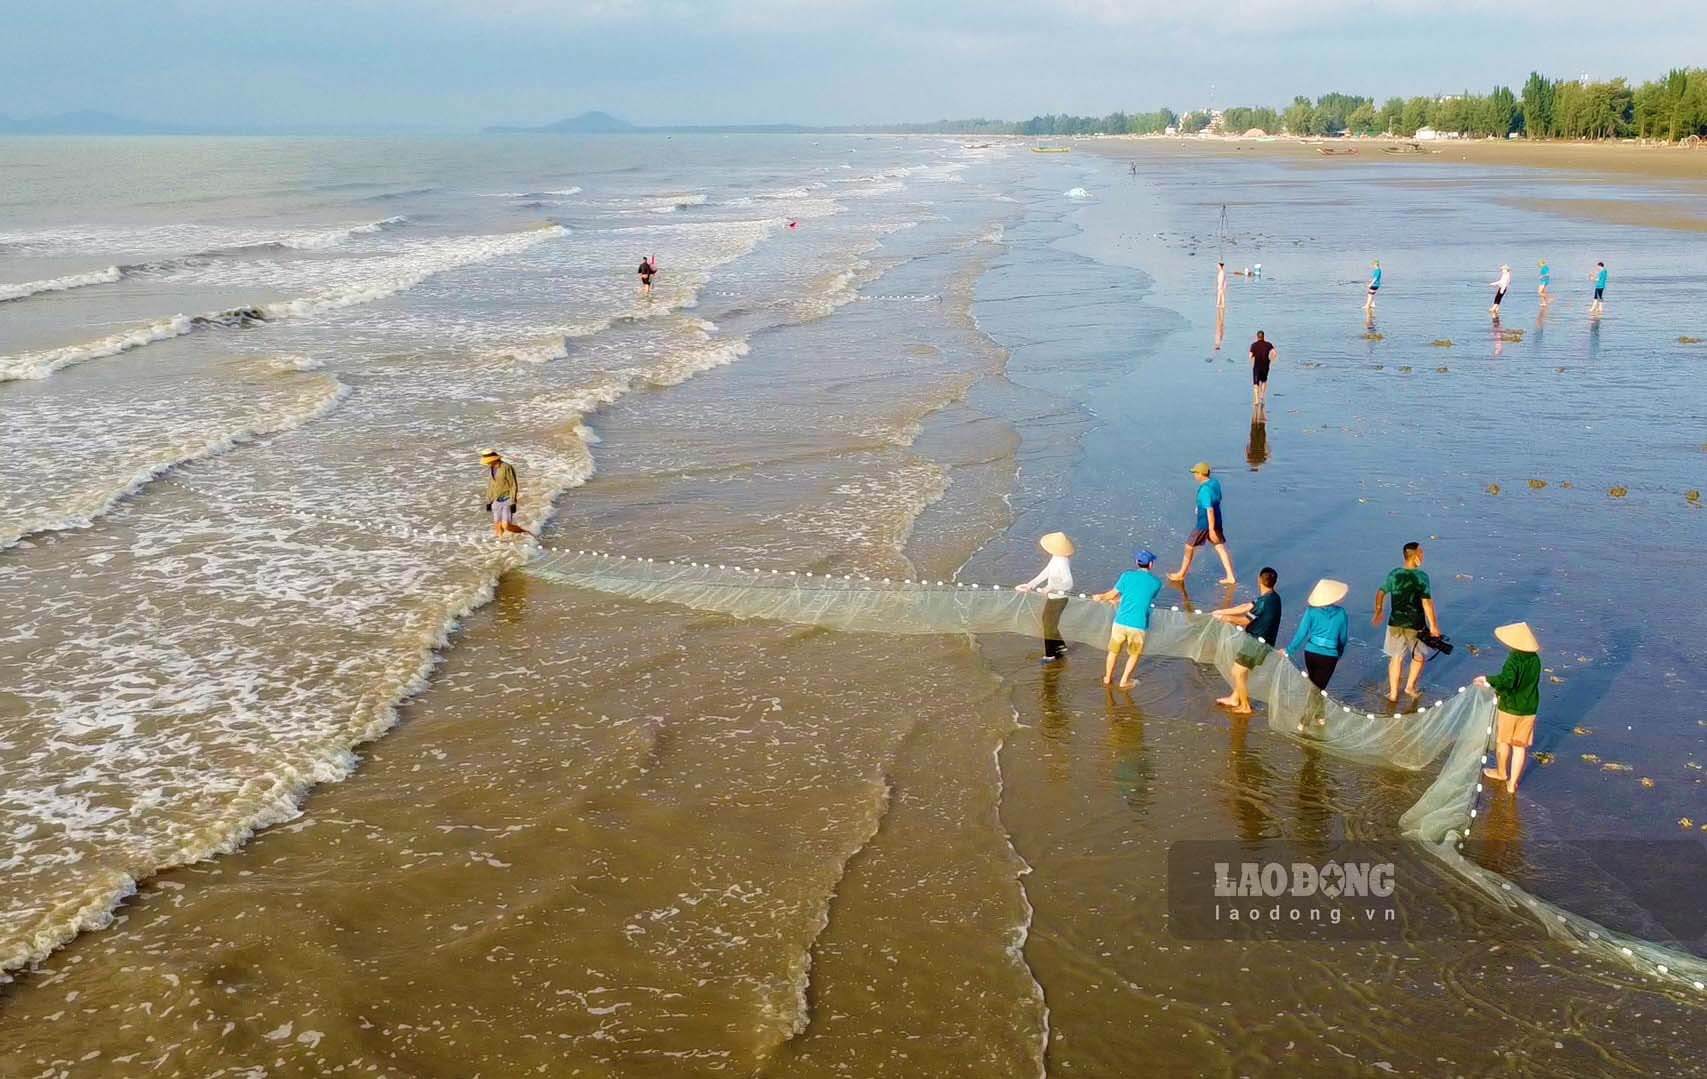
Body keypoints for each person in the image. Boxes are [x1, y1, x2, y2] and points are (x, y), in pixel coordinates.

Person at [1371, 541, 1442, 703]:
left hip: (1395, 623)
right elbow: (1426, 603)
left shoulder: (1394, 574)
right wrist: (1434, 626)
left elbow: (1381, 591)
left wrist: (1379, 610)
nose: (1423, 555)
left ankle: (1394, 694)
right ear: (1415, 556)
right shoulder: (1421, 577)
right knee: (1419, 657)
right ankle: (1409, 687)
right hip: (1415, 625)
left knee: (1396, 658)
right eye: (1421, 553)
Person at [1476, 621, 1542, 794]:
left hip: (1510, 708)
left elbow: (1507, 681)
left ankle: (1501, 772)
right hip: (1529, 708)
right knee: (1520, 747)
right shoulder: (1535, 660)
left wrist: (1488, 679)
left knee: (1503, 741)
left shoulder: (1514, 660)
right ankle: (1512, 784)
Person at [1212, 566, 1282, 715]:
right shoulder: (1273, 597)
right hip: (1261, 642)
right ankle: (1234, 698)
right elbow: (1246, 606)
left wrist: (1225, 618)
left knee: (1237, 672)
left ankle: (1245, 706)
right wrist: (1221, 611)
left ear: (1259, 580)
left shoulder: (1264, 602)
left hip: (1257, 644)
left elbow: (1244, 621)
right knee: (1242, 671)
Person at [1095, 549, 1164, 689]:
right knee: (1134, 653)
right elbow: (1144, 597)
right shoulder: (1157, 582)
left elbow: (1111, 594)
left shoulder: (1126, 576)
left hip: (1120, 622)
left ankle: (1108, 678)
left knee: (1113, 651)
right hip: (1138, 625)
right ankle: (1124, 681)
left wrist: (1100, 597)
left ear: (1137, 563)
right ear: (1151, 564)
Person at [1286, 579, 1349, 727]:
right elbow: (1343, 638)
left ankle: (1320, 715)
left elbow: (1301, 633)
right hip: (1329, 657)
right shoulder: (1341, 613)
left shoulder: (1311, 611)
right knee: (1317, 688)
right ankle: (1304, 721)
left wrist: (1289, 650)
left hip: (1310, 653)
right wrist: (1339, 654)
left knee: (1316, 686)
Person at [1170, 462, 1236, 585]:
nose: (1194, 475)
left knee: (1189, 546)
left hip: (1204, 523)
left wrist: (1210, 529)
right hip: (1218, 518)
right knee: (1220, 547)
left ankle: (1181, 574)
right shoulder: (1214, 483)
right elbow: (1217, 499)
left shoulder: (1204, 490)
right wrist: (1198, 506)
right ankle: (1230, 576)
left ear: (1201, 474)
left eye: (1195, 473)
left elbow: (1209, 510)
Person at [1016, 531, 1075, 663]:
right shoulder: (1056, 558)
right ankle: (1060, 646)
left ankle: (1051, 655)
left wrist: (1050, 588)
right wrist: (1030, 585)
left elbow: (1068, 583)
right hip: (1053, 596)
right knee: (1048, 622)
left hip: (1059, 598)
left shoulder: (1062, 562)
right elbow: (1045, 573)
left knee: (1048, 625)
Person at [481, 450, 531, 537]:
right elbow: (490, 485)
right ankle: (500, 545)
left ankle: (525, 533)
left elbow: (513, 484)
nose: (487, 463)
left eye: (488, 460)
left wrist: (513, 502)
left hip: (507, 499)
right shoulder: (491, 468)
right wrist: (489, 501)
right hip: (495, 500)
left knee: (506, 525)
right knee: (497, 526)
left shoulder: (507, 467)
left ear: (493, 459)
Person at [1248, 330, 1275, 406]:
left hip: (1257, 366)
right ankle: (1262, 397)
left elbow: (1250, 356)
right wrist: (1271, 359)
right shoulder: (1268, 344)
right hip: (1265, 366)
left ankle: (1256, 400)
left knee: (1255, 384)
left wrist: (1253, 357)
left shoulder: (1254, 345)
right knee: (1264, 381)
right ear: (1263, 336)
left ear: (1257, 337)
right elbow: (1274, 353)